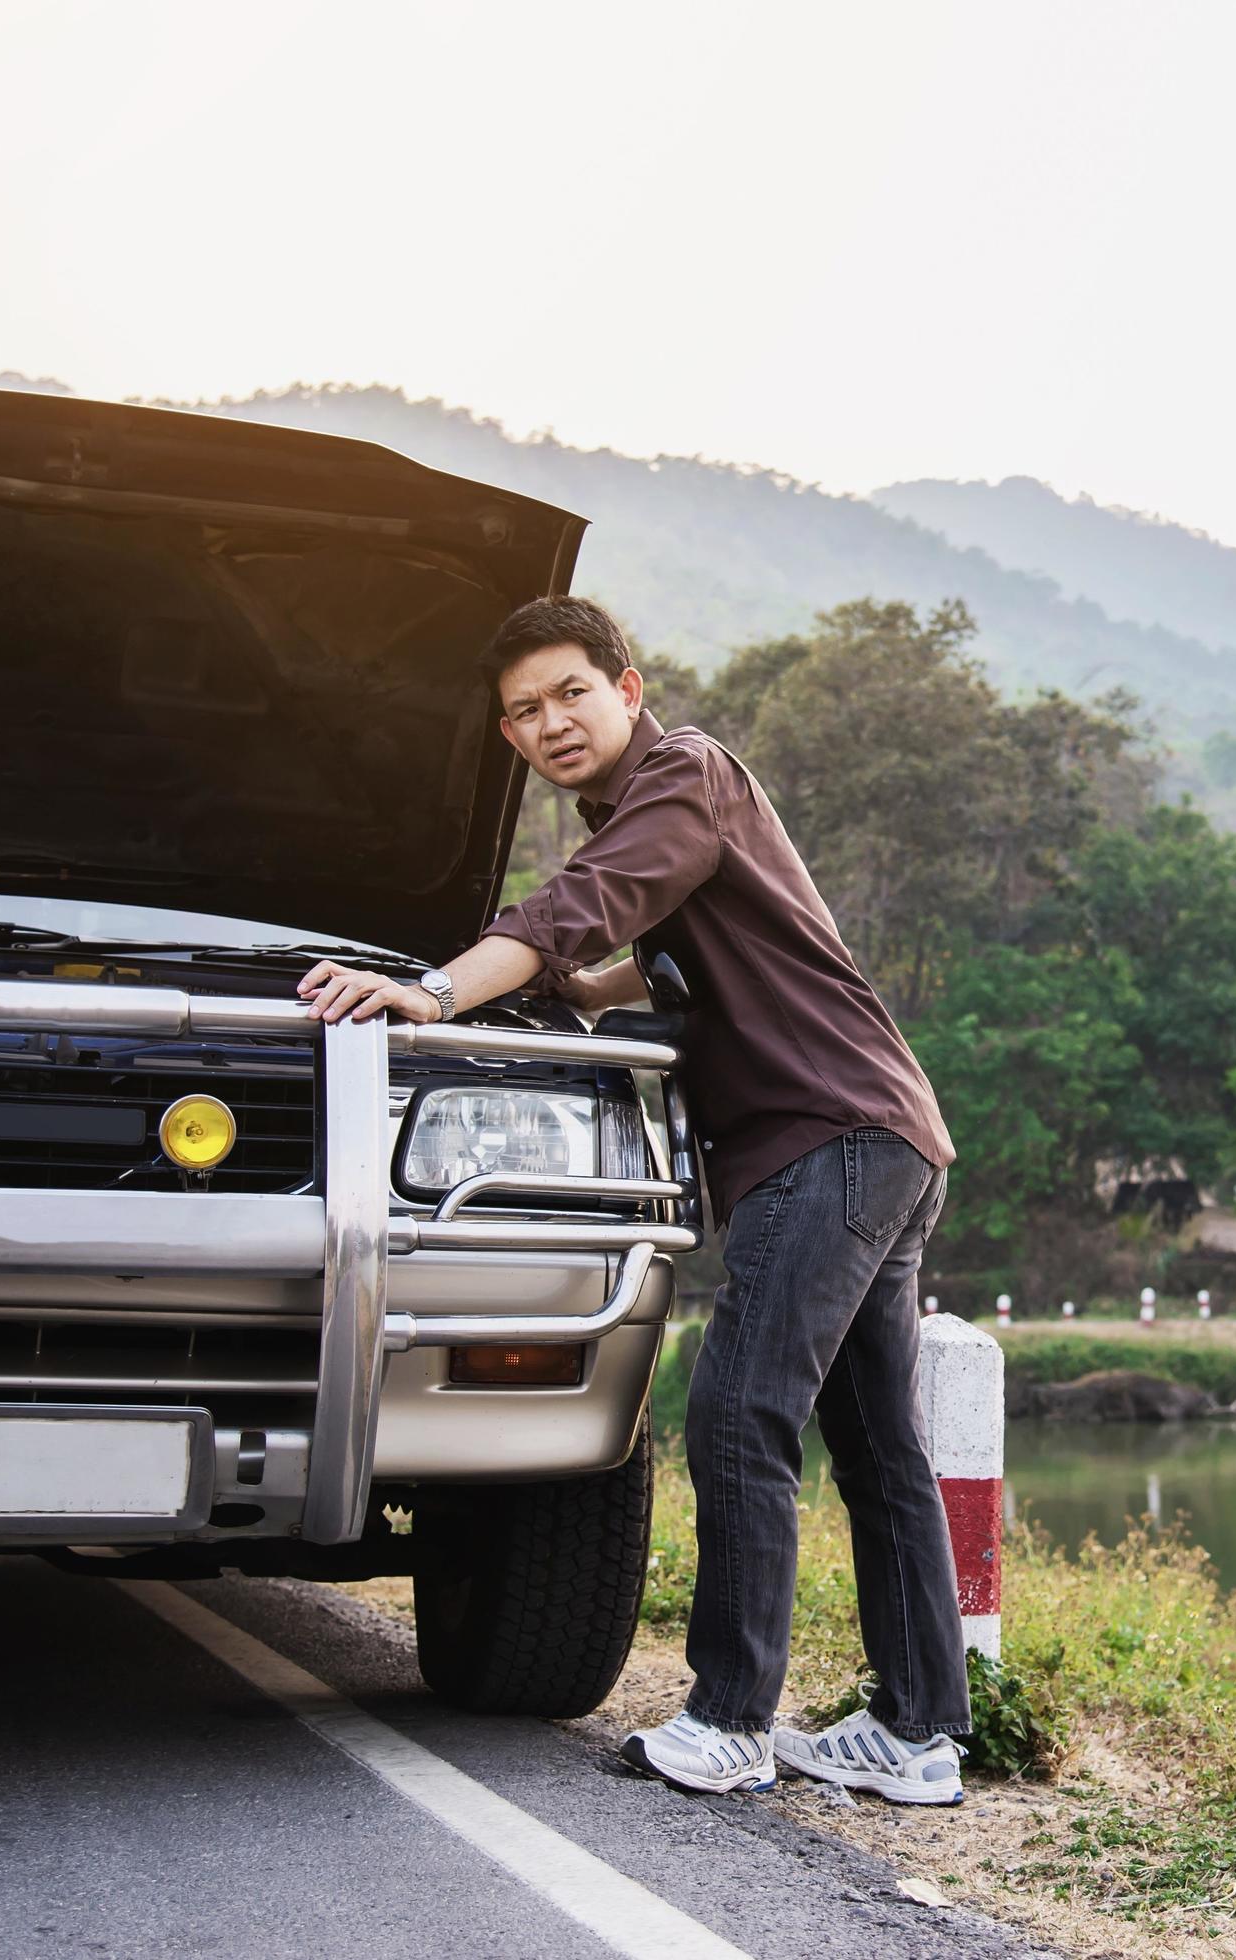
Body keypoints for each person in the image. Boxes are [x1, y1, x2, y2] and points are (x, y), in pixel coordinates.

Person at [298, 595, 969, 1806]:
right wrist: (577, 996)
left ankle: (728, 1719)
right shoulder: (659, 811)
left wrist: (435, 994)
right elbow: (643, 957)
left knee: (735, 1415)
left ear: (628, 687)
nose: (549, 722)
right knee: (875, 1450)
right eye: (521, 711)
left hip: (823, 1137)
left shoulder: (684, 776)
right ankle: (917, 1733)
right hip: (881, 1134)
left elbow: (579, 907)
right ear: (506, 736)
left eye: (569, 692)